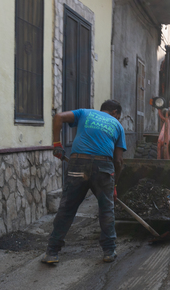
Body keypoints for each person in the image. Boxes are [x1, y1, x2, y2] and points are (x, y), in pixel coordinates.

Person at [41, 100, 127, 264]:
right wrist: (114, 185)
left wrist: (57, 144)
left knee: (67, 208)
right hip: (104, 167)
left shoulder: (85, 113)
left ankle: (52, 252)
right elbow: (118, 161)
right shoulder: (117, 125)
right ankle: (109, 251)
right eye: (119, 116)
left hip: (78, 163)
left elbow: (58, 117)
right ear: (116, 112)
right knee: (106, 210)